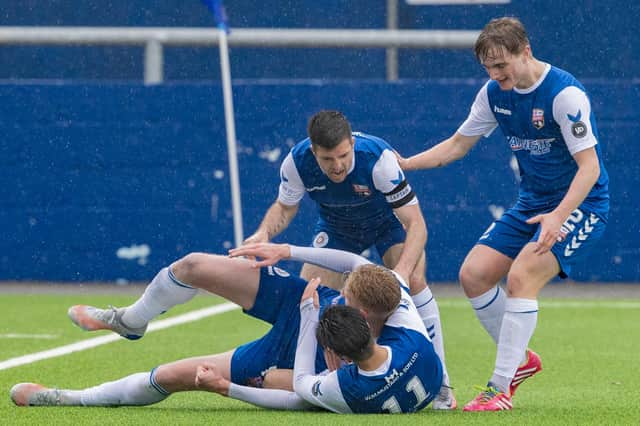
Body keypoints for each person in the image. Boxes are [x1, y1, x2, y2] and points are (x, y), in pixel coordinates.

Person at [396, 17, 609, 412]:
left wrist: (559, 216)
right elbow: (459, 144)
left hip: (581, 204)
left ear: (524, 51)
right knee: (473, 275)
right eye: (488, 69)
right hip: (532, 203)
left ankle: (500, 387)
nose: (495, 75)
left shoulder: (565, 95)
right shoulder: (495, 94)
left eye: (501, 66)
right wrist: (408, 163)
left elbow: (590, 168)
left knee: (523, 274)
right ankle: (522, 360)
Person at [11, 243, 443, 414]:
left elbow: (298, 388)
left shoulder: (349, 385)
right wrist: (285, 250)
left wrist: (227, 387)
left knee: (171, 376)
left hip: (300, 350)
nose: (344, 298)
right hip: (305, 304)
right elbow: (355, 264)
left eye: (350, 301)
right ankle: (130, 321)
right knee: (194, 265)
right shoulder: (399, 307)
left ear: (368, 320)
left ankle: (70, 399)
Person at [244, 110, 454, 408]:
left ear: (351, 143)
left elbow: (416, 224)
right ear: (313, 150)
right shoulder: (297, 162)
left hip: (387, 225)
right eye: (327, 159)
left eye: (343, 155)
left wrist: (401, 276)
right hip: (336, 228)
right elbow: (285, 207)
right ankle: (318, 381)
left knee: (415, 281)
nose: (337, 166)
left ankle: (442, 383)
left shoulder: (378, 159)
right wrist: (263, 233)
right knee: (306, 297)